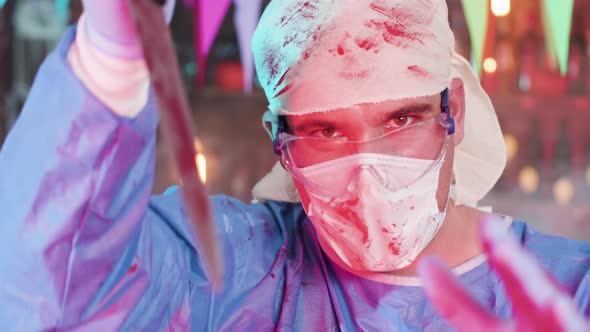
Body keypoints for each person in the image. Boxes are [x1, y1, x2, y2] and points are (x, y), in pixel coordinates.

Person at [0, 0, 588, 330]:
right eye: (325, 131)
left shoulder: (571, 294)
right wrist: (109, 63)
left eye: (401, 120)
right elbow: (53, 292)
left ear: (451, 107)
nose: (367, 172)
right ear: (279, 142)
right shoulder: (229, 274)